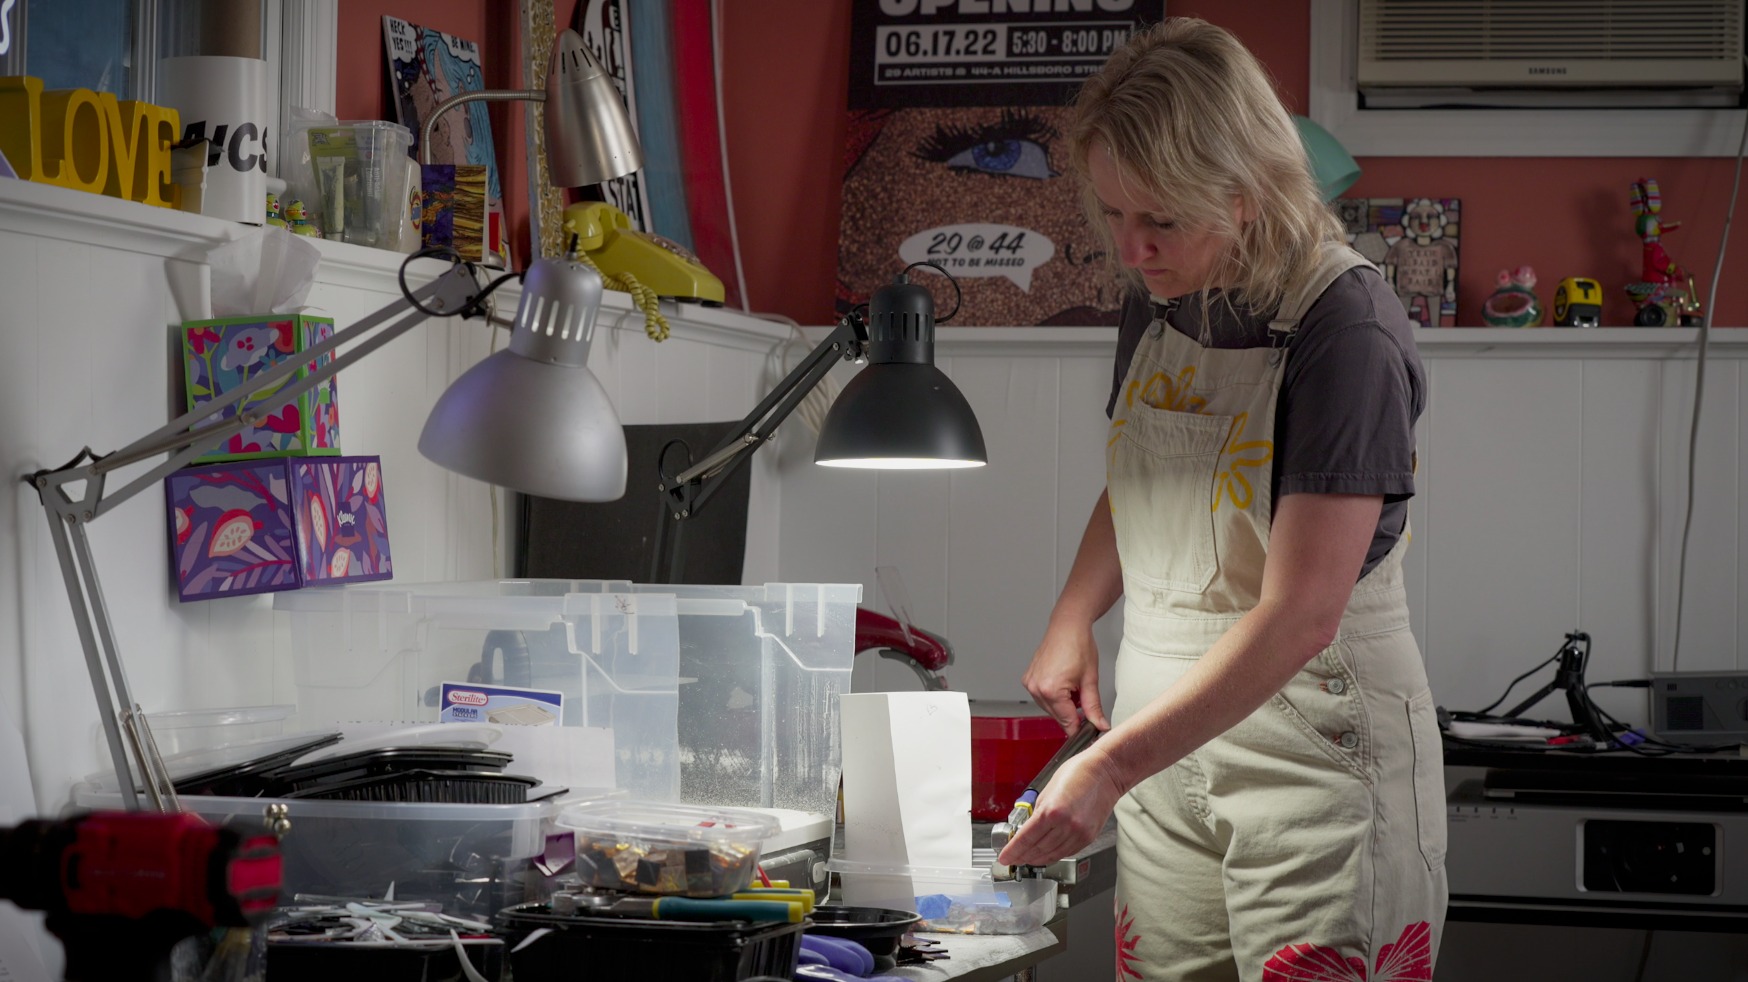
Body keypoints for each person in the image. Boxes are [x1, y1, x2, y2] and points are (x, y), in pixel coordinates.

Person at [993, 18, 1446, 981]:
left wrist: (1109, 765)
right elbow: (1149, 477)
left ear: (1244, 189)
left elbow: (1302, 615)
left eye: (1159, 218)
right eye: (1114, 213)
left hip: (1314, 758)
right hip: (1163, 746)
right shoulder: (1160, 294)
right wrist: (1073, 617)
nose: (1132, 247)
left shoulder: (1346, 328)